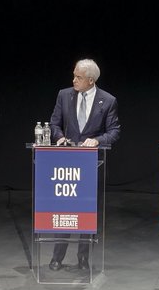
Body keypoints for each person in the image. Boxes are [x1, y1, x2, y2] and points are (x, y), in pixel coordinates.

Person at [48, 58, 121, 270]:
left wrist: (98, 140)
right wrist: (59, 137)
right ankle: (57, 256)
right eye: (74, 75)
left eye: (78, 77)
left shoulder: (107, 101)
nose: (74, 80)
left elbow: (114, 131)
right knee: (64, 208)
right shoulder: (64, 95)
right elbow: (54, 123)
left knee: (88, 211)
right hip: (67, 163)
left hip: (92, 163)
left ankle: (83, 257)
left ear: (90, 80)